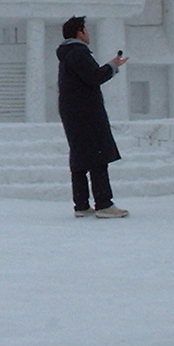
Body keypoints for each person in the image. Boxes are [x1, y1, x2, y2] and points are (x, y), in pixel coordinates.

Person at [56, 16, 130, 218]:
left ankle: (81, 204)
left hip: (72, 110)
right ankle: (104, 203)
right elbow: (93, 77)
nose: (88, 34)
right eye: (85, 30)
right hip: (86, 111)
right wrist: (113, 66)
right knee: (98, 155)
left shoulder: (66, 54)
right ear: (79, 32)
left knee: (80, 155)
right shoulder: (78, 52)